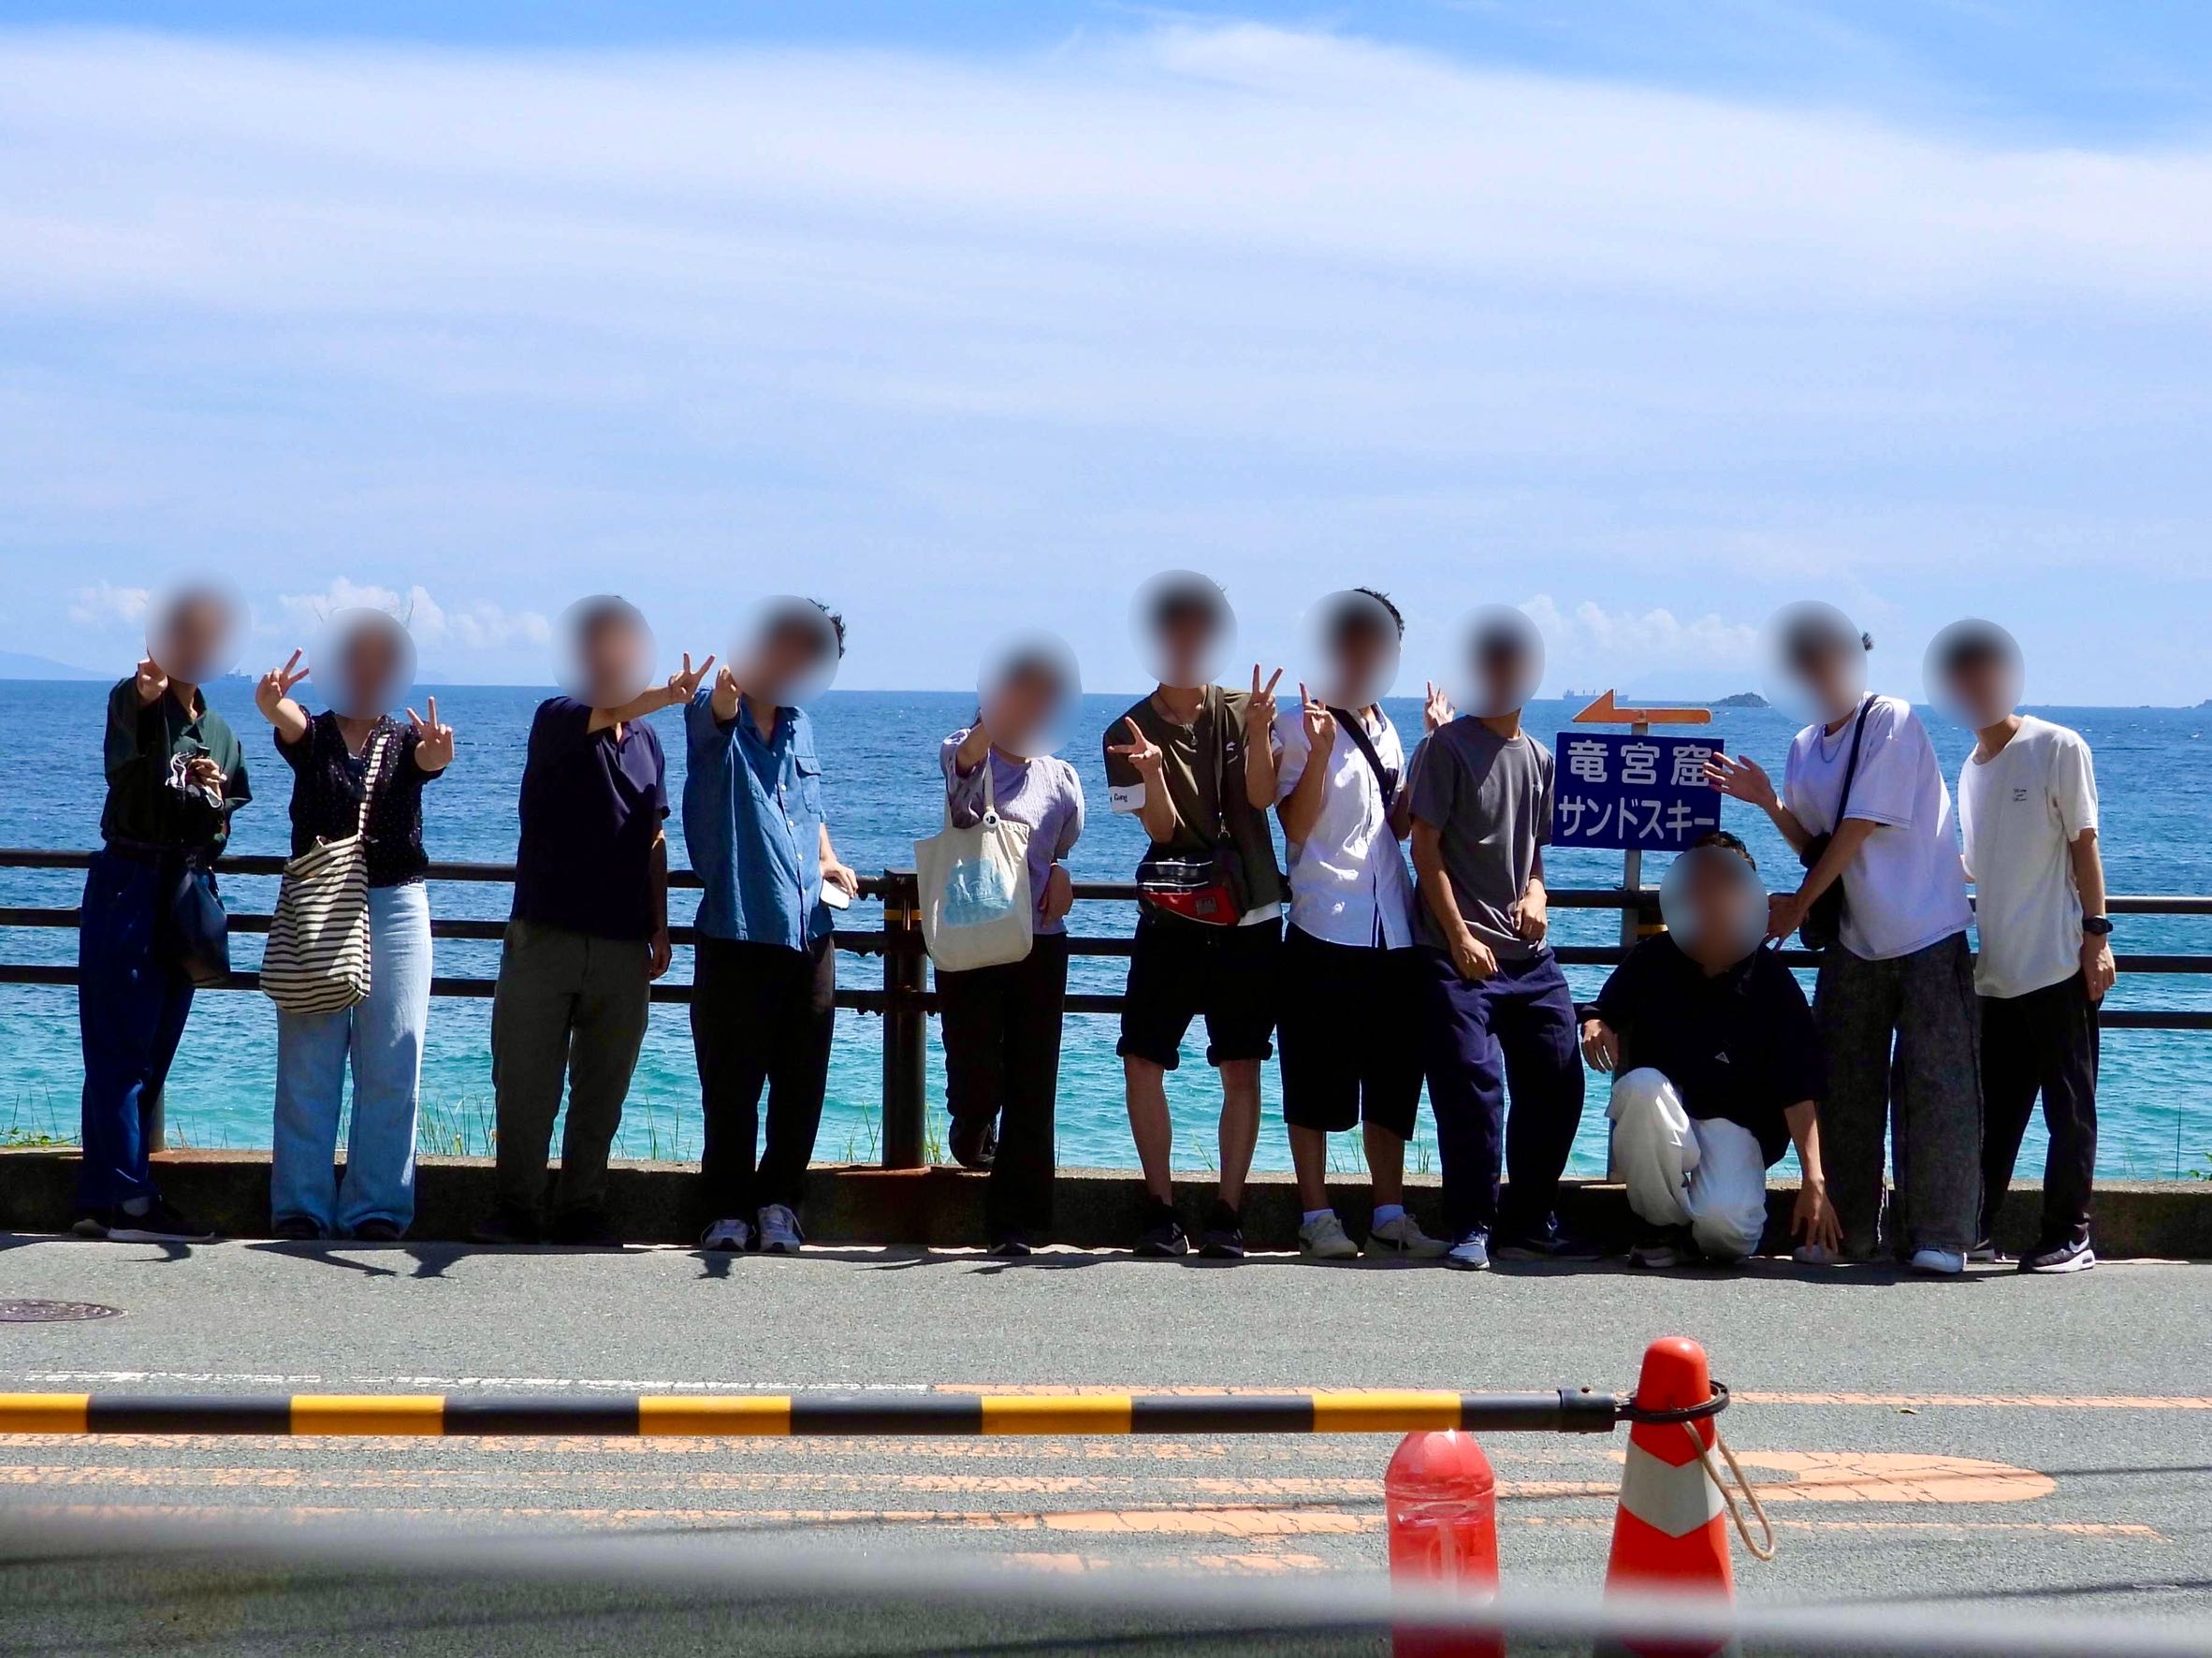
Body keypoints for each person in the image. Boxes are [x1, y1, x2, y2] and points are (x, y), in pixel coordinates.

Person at [1708, 605, 1979, 1275]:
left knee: (1936, 1087)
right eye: (1808, 662)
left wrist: (1798, 906)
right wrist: (1769, 803)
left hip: (1926, 929)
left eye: (1829, 659)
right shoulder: (1804, 747)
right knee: (1844, 1089)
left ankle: (1939, 1233)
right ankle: (1850, 1230)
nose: (1819, 673)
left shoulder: (1891, 719)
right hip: (1854, 939)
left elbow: (1860, 828)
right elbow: (1818, 846)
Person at [478, 599, 713, 1245]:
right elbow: (607, 712)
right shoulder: (557, 716)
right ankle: (516, 1207)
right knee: (525, 1083)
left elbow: (654, 837)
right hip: (545, 934)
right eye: (601, 646)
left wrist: (660, 925)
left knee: (603, 1087)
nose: (614, 657)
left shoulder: (648, 743)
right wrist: (669, 696)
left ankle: (582, 1206)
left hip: (622, 941)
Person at [1104, 574, 1285, 1259]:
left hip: (1250, 916)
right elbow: (1160, 831)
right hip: (1173, 917)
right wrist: (1151, 772)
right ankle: (1160, 1208)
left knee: (1241, 1065)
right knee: (1142, 1058)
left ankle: (1228, 1213)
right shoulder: (1123, 732)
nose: (1185, 640)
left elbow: (1262, 799)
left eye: (1196, 628)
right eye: (1172, 628)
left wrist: (1261, 734)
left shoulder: (1244, 708)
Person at [256, 613, 454, 1242]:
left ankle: (377, 1209)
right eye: (357, 659)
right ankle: (301, 1207)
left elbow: (428, 760)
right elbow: (283, 717)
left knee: (394, 1061)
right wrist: (269, 700)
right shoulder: (313, 733)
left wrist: (438, 752)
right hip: (320, 903)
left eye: (380, 660)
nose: (368, 671)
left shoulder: (406, 738)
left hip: (397, 904)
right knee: (308, 1059)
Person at [1409, 607, 1591, 1272]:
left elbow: (1534, 855)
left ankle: (1530, 1218)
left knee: (1560, 1078)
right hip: (1456, 954)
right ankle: (1472, 1223)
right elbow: (1424, 849)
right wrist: (1457, 936)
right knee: (1473, 1089)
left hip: (1528, 958)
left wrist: (1537, 895)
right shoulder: (1447, 747)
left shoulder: (1539, 758)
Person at [1272, 589, 1449, 1260]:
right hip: (1324, 919)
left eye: (1382, 645)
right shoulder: (1297, 724)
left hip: (1393, 925)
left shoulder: (1386, 727)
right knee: (1313, 1076)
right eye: (1359, 642)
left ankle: (1389, 1212)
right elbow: (1294, 827)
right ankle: (1316, 1214)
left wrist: (1432, 745)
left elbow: (1397, 827)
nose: (1369, 656)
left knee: (1393, 1077)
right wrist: (1319, 753)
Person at [73, 590, 251, 1242]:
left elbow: (223, 822)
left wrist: (211, 796)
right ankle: (128, 1201)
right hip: (128, 881)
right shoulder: (136, 699)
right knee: (119, 1048)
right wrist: (146, 693)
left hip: (186, 889)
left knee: (153, 1049)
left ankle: (105, 1197)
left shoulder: (221, 732)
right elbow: (130, 728)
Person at [686, 598, 861, 1255]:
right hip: (737, 925)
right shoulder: (714, 710)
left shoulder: (800, 726)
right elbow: (712, 720)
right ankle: (727, 1209)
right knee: (731, 1084)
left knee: (801, 1080)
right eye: (787, 648)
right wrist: (727, 693)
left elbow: (807, 807)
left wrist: (828, 857)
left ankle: (781, 1204)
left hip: (809, 927)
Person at [1579, 833, 1841, 1268]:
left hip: (1738, 1127)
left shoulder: (1771, 980)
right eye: (1701, 887)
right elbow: (1604, 1009)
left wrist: (1814, 1179)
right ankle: (1662, 1228)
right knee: (1641, 1088)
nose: (1712, 899)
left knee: (1728, 1237)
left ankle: (1700, 1227)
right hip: (1669, 1117)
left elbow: (1799, 1085)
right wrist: (1595, 1025)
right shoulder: (1655, 956)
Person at [1937, 622, 2110, 1275]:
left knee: (2071, 1109)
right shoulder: (1970, 770)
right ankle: (1977, 1228)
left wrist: (2097, 937)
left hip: (2059, 961)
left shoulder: (2057, 746)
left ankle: (2070, 1235)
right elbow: (1976, 865)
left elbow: (2085, 844)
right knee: (1996, 1113)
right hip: (1997, 972)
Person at [937, 640, 1085, 1256]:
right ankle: (972, 1122)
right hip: (971, 935)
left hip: (1038, 941)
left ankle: (1015, 1223)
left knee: (1032, 1082)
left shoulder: (1060, 776)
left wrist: (1063, 872)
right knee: (977, 1072)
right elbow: (964, 765)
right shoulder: (967, 749)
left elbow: (1062, 843)